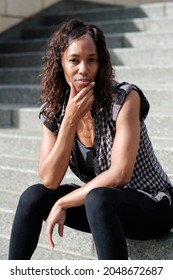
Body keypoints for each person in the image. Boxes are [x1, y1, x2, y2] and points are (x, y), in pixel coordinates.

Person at [8, 18, 173, 260]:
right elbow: (50, 179)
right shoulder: (54, 111)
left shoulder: (124, 99)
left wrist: (65, 203)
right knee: (34, 196)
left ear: (101, 64)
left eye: (92, 60)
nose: (83, 69)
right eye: (74, 60)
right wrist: (70, 121)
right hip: (103, 208)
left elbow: (119, 175)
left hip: (153, 206)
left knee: (99, 196)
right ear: (60, 64)